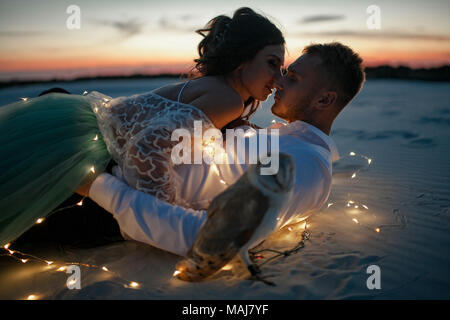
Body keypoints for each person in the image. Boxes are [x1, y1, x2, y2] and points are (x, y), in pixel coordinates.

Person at [0, 7, 285, 245]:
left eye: (282, 68)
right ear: (243, 59)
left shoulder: (218, 91)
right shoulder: (228, 98)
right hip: (86, 148)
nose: (279, 78)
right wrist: (162, 216)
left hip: (78, 123)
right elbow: (147, 147)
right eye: (272, 63)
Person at [82, 42, 366, 257]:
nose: (279, 82)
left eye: (292, 79)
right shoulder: (284, 138)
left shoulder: (306, 165)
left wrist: (97, 185)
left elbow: (212, 238)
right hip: (114, 155)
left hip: (105, 200)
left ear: (325, 100)